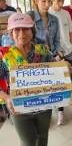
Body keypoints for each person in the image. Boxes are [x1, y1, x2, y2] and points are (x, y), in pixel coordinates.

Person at [0, 13, 55, 146]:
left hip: (44, 106)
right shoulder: (4, 56)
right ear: (11, 33)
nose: (21, 33)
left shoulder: (42, 51)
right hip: (19, 109)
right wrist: (7, 98)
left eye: (25, 28)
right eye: (16, 29)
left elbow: (55, 70)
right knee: (27, 142)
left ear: (32, 30)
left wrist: (65, 68)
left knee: (43, 138)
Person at [49, 0, 72, 125]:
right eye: (58, 0)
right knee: (60, 82)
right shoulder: (48, 14)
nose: (60, 3)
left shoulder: (66, 13)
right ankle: (60, 112)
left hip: (70, 51)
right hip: (57, 54)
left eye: (62, 1)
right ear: (52, 0)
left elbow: (71, 31)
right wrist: (55, 54)